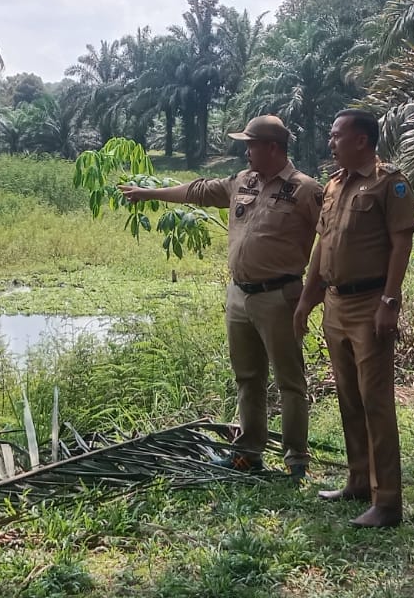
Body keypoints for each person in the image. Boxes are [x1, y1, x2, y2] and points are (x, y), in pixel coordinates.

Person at [119, 115, 322, 479]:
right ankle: (248, 453)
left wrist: (315, 293)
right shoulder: (243, 181)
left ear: (272, 147)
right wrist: (149, 193)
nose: (246, 152)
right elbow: (198, 191)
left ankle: (296, 460)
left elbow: (332, 236)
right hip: (240, 296)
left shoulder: (305, 189)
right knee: (247, 377)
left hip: (280, 296)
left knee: (289, 381)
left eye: (251, 144)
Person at [294, 109, 414, 528]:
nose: (331, 142)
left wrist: (390, 301)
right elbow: (323, 246)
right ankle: (359, 480)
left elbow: (401, 244)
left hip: (369, 304)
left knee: (375, 402)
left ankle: (388, 502)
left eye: (336, 135)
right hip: (336, 303)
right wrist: (307, 300)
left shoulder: (390, 183)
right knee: (348, 397)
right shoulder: (334, 184)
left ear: (361, 140)